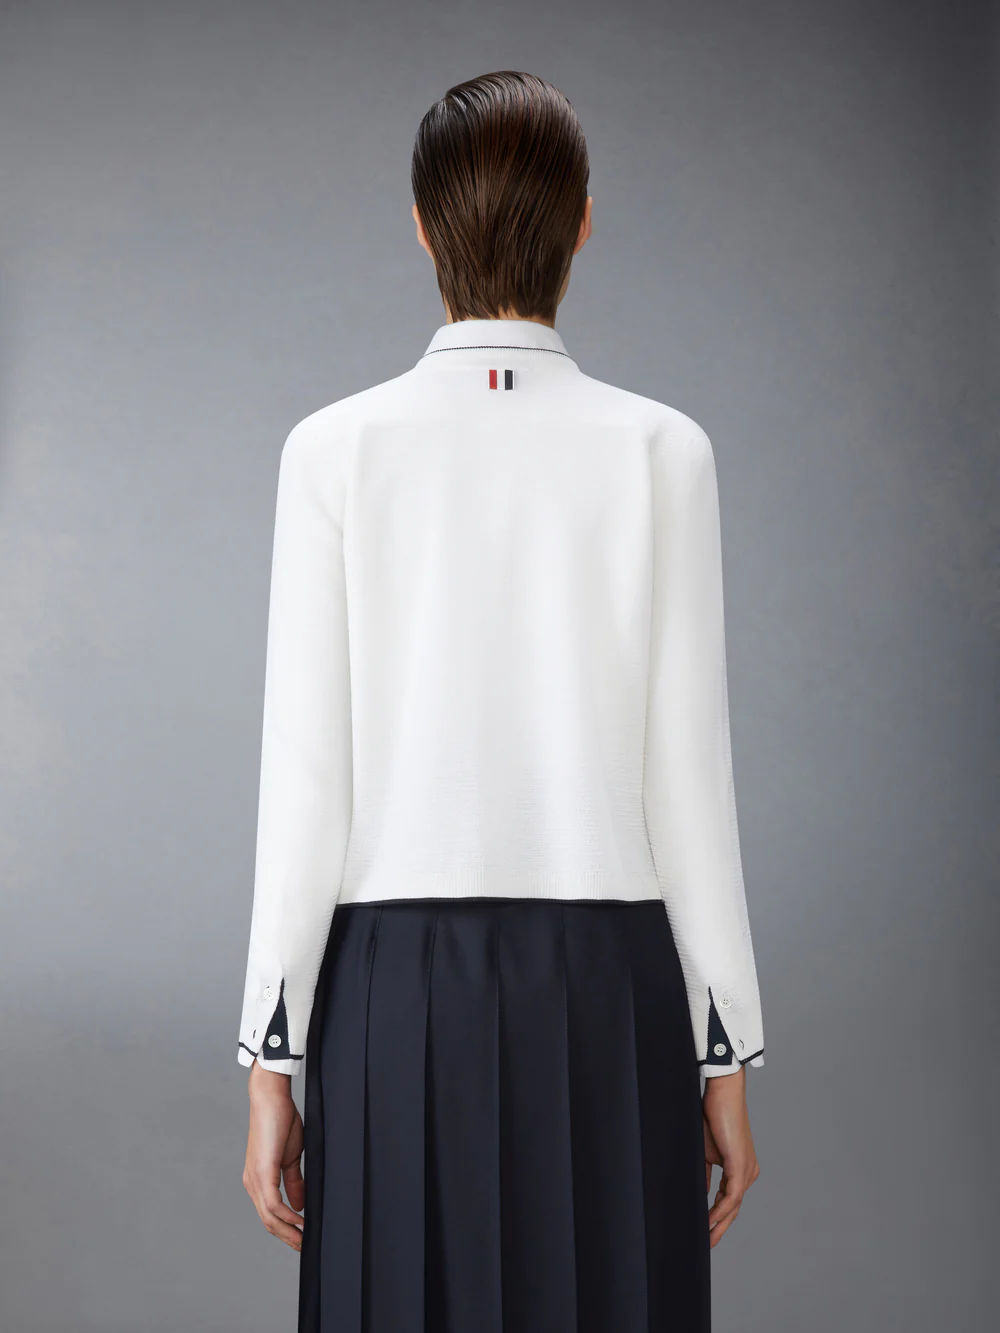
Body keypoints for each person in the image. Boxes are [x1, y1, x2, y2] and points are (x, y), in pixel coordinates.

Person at [236, 69, 765, 1333]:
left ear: (422, 227)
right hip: (612, 985)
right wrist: (727, 1055)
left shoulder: (333, 449)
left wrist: (270, 1061)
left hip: (389, 991)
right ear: (582, 222)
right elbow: (688, 779)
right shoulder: (663, 451)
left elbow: (306, 780)